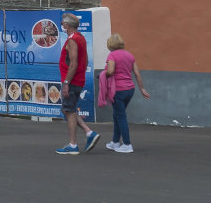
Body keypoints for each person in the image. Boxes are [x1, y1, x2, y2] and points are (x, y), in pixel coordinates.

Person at [54, 13, 98, 155]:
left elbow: (74, 63)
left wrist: (67, 82)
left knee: (69, 110)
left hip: (72, 80)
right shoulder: (81, 38)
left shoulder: (73, 40)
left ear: (67, 25)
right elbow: (83, 62)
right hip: (77, 79)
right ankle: (88, 132)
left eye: (63, 23)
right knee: (69, 109)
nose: (62, 26)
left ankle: (74, 144)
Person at [99, 33, 151, 153]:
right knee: (117, 115)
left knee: (120, 116)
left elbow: (110, 71)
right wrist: (142, 89)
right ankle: (115, 142)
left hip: (118, 90)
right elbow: (137, 73)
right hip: (130, 89)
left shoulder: (112, 55)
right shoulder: (129, 55)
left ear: (110, 44)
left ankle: (127, 144)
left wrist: (102, 74)